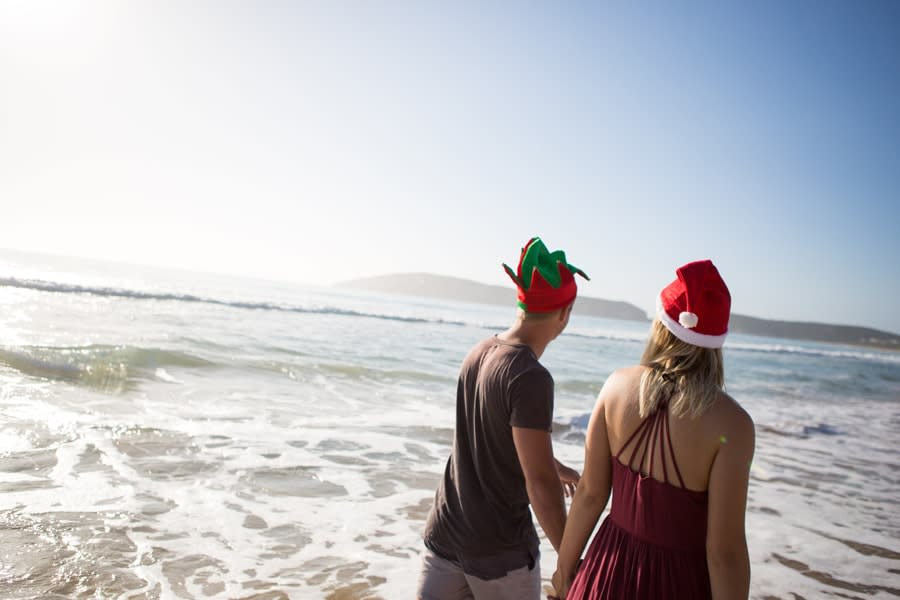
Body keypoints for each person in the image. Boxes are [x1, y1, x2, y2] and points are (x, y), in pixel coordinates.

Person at [551, 260, 755, 600]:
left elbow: (589, 494)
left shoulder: (616, 385)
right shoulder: (733, 424)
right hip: (679, 584)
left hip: (606, 572)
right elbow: (725, 551)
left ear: (661, 327)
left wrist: (564, 572)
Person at [417, 237, 588, 600]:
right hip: (498, 553)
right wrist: (571, 561)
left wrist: (556, 466)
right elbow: (539, 484)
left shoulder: (480, 351)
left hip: (446, 534)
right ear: (564, 313)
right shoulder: (530, 376)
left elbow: (497, 438)